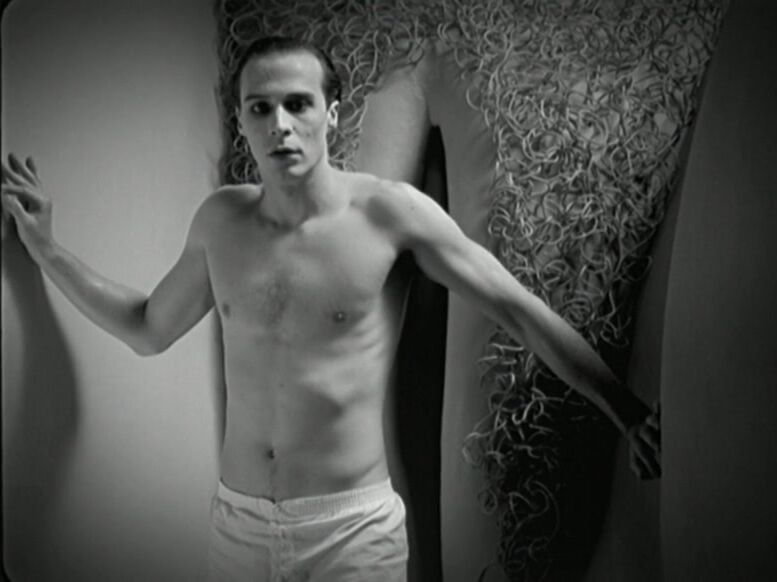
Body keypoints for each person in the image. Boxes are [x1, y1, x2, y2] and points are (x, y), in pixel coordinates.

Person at [1, 36, 660, 582]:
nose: (279, 125)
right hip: (238, 527)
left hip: (351, 533)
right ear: (242, 121)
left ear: (333, 113)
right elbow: (148, 329)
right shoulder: (221, 222)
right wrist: (47, 250)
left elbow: (517, 309)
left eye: (297, 104)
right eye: (260, 108)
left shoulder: (388, 213)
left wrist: (626, 413)